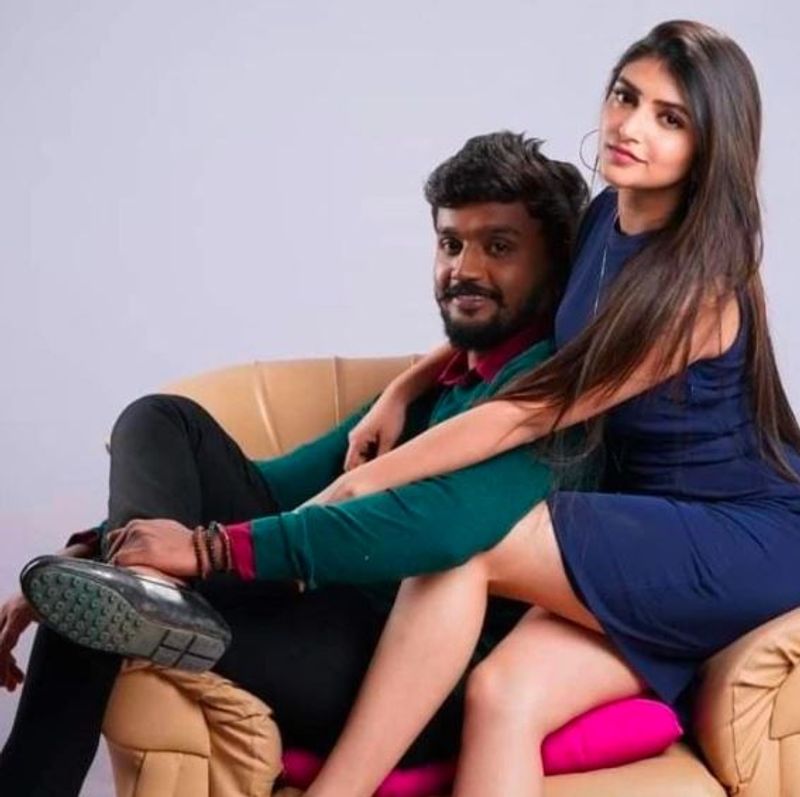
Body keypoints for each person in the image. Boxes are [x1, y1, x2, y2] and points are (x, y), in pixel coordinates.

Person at [273, 19, 800, 797]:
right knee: (502, 695)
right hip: (646, 523)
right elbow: (533, 336)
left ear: (708, 147)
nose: (629, 126)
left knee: (473, 540)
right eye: (625, 96)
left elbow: (531, 407)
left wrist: (362, 483)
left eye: (669, 118)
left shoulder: (697, 290)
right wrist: (403, 389)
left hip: (742, 534)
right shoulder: (604, 218)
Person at [0, 132, 588, 796]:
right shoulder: (443, 385)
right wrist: (98, 546)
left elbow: (441, 529)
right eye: (451, 244)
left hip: (410, 681)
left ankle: (134, 595)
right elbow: (280, 488)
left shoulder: (556, 398)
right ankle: (138, 587)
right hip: (326, 616)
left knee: (99, 610)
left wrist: (207, 549)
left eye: (499, 247)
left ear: (555, 266)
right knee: (160, 425)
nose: (465, 268)